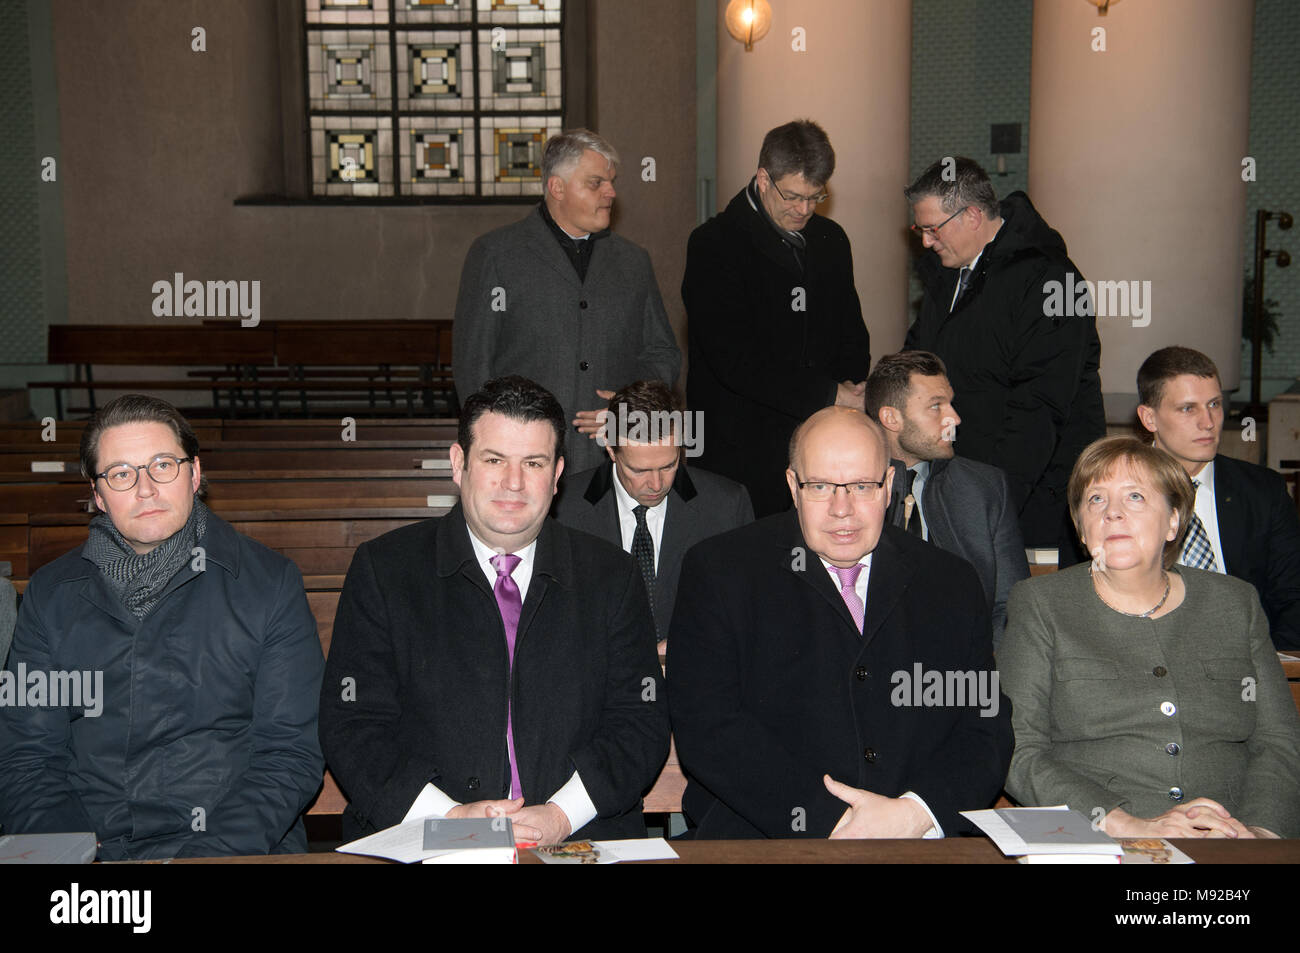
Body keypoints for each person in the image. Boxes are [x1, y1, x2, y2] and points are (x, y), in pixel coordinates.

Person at [319, 376, 668, 845]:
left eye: (534, 463)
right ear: (459, 463)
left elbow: (639, 722)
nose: (514, 483)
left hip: (579, 835)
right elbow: (354, 725)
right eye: (494, 460)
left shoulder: (612, 576)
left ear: (558, 473)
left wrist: (562, 815)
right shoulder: (385, 570)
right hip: (423, 835)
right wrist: (450, 820)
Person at [0, 395, 324, 859]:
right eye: (121, 473)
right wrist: (72, 852)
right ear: (97, 494)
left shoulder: (268, 583)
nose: (145, 489)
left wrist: (203, 859)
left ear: (194, 474)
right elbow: (28, 757)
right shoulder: (53, 594)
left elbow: (289, 754)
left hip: (232, 849)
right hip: (92, 852)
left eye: (162, 465)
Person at [668, 406, 1012, 839]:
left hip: (917, 844)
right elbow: (709, 728)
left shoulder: (950, 582)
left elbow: (984, 728)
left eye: (862, 486)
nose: (842, 509)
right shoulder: (721, 572)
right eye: (820, 486)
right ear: (793, 486)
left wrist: (915, 814)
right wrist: (836, 822)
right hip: (768, 843)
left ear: (890, 485)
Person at [1000, 436, 1300, 838]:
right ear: (1081, 529)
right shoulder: (1041, 604)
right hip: (1104, 838)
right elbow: (1018, 748)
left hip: (1231, 834)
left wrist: (1259, 834)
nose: (1113, 514)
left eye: (1135, 497)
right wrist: (1128, 825)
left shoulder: (1234, 602)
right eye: (1096, 500)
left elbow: (1278, 741)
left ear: (1173, 520)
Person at [904, 156, 1104, 561]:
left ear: (973, 215)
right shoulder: (949, 276)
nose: (925, 241)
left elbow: (1040, 407)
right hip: (962, 486)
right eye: (920, 229)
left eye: (932, 228)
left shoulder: (1052, 281)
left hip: (1034, 501)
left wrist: (994, 503)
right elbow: (917, 360)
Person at [453, 129, 680, 473]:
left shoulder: (633, 262)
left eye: (611, 182)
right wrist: (498, 450)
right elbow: (474, 366)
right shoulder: (497, 255)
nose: (611, 193)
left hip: (610, 462)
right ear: (557, 188)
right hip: (523, 462)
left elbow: (661, 353)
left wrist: (631, 411)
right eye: (596, 183)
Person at [683, 119, 871, 518]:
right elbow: (733, 359)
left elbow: (852, 333)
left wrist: (849, 393)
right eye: (793, 196)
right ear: (763, 178)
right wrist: (827, 394)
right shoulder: (714, 245)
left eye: (815, 197)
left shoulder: (830, 239)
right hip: (742, 449)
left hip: (821, 442)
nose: (804, 209)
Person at [554, 380, 753, 641]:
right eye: (639, 470)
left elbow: (747, 606)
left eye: (669, 466)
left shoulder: (727, 506)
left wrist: (692, 643)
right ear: (612, 450)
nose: (657, 485)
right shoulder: (563, 509)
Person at [1136, 346, 1300, 650]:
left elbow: (1293, 600)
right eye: (1188, 408)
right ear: (1149, 418)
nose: (1209, 422)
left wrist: (1263, 673)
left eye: (1214, 404)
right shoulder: (1113, 494)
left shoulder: (1263, 492)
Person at [866, 351, 1028, 648]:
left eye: (950, 403)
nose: (954, 418)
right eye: (935, 406)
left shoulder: (985, 488)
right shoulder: (846, 489)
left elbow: (1011, 608)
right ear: (891, 418)